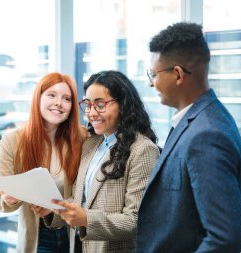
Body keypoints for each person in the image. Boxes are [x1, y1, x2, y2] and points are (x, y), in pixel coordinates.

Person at [136, 22, 241, 253]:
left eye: (154, 74)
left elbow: (225, 237)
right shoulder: (197, 121)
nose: (150, 82)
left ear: (177, 74)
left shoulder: (207, 134)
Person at [50, 70, 160, 253]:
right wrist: (52, 210)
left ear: (123, 105)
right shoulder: (91, 143)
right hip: (79, 246)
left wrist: (86, 219)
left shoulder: (143, 150)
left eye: (100, 105)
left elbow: (135, 220)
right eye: (88, 105)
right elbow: (79, 200)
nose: (92, 113)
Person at [0, 72, 87, 253]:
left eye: (66, 99)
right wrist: (8, 198)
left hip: (76, 234)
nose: (59, 103)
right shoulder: (13, 141)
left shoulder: (83, 138)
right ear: (38, 99)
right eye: (51, 95)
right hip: (38, 237)